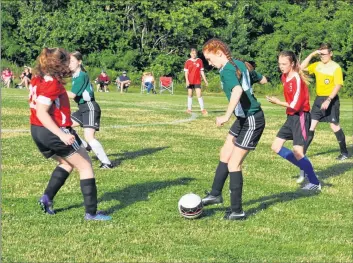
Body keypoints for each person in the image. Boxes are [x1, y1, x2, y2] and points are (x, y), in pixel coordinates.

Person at [29, 47, 111, 220]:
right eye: (67, 60)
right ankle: (91, 213)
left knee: (66, 164)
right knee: (85, 166)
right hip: (53, 130)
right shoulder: (52, 83)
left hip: (37, 130)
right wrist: (61, 134)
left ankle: (46, 198)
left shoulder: (38, 78)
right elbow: (42, 112)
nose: (70, 64)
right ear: (59, 64)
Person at [201, 38, 267, 220]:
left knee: (234, 163)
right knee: (225, 153)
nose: (209, 63)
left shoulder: (227, 70)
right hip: (243, 118)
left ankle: (237, 211)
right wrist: (259, 79)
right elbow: (261, 78)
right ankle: (215, 194)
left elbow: (237, 91)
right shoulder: (238, 64)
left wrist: (225, 116)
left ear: (219, 53)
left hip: (252, 119)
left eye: (209, 58)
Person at [267, 51, 321, 191]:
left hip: (301, 116)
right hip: (291, 117)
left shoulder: (297, 78)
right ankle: (305, 166)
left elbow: (296, 104)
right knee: (276, 146)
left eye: (284, 64)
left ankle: (314, 182)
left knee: (298, 151)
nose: (281, 66)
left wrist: (278, 102)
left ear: (292, 64)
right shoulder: (284, 77)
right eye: (279, 64)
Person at [299, 43, 348, 163]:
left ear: (331, 54)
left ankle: (344, 153)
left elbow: (338, 85)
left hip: (331, 99)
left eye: (324, 54)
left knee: (334, 126)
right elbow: (301, 67)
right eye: (320, 54)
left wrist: (329, 99)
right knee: (311, 125)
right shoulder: (317, 65)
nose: (322, 57)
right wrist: (312, 54)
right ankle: (302, 153)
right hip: (319, 99)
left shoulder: (336, 67)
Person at [68, 51, 113, 169]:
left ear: (79, 62)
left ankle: (106, 163)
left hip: (90, 107)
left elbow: (72, 95)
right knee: (65, 125)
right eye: (68, 61)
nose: (69, 64)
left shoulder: (82, 75)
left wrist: (53, 91)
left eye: (72, 61)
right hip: (83, 108)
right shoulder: (75, 75)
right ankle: (85, 146)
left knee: (89, 136)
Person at [184, 48, 209, 115]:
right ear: (190, 54)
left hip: (197, 81)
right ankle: (189, 109)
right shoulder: (187, 62)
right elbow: (186, 72)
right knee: (190, 94)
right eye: (192, 53)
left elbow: (202, 71)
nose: (193, 54)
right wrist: (187, 80)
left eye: (195, 53)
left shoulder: (199, 61)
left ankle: (202, 109)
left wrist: (205, 80)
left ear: (196, 54)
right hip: (190, 81)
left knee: (199, 94)